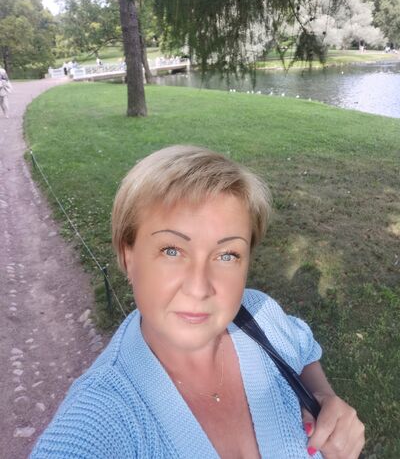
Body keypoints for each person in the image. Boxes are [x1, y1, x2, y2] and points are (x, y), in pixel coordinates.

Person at [30, 145, 365, 458]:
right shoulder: (99, 420)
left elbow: (302, 349)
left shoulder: (260, 314)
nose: (199, 287)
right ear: (128, 257)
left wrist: (324, 400)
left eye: (227, 255)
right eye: (172, 250)